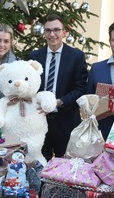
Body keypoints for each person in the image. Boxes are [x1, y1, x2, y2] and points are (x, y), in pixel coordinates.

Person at [28, 13, 88, 161]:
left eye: (56, 30)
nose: (52, 34)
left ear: (64, 32)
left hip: (66, 121)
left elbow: (81, 88)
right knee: (39, 164)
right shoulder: (34, 56)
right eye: (48, 30)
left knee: (66, 167)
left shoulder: (76, 56)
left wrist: (60, 102)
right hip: (40, 121)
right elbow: (29, 86)